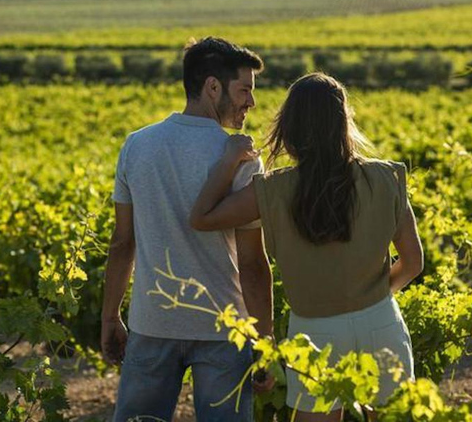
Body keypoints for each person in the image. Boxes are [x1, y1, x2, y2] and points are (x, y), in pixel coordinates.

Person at [190, 72, 424, 421]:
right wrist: (370, 297)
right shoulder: (385, 178)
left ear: (290, 127)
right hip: (381, 321)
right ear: (343, 124)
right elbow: (413, 262)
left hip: (314, 333)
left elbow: (202, 217)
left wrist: (228, 161)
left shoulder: (272, 189)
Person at [100, 37, 274, 422]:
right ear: (213, 87)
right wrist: (265, 339)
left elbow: (122, 243)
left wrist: (110, 316)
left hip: (153, 321)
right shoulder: (242, 157)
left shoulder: (137, 146)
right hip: (225, 329)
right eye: (244, 90)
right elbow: (251, 262)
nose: (251, 102)